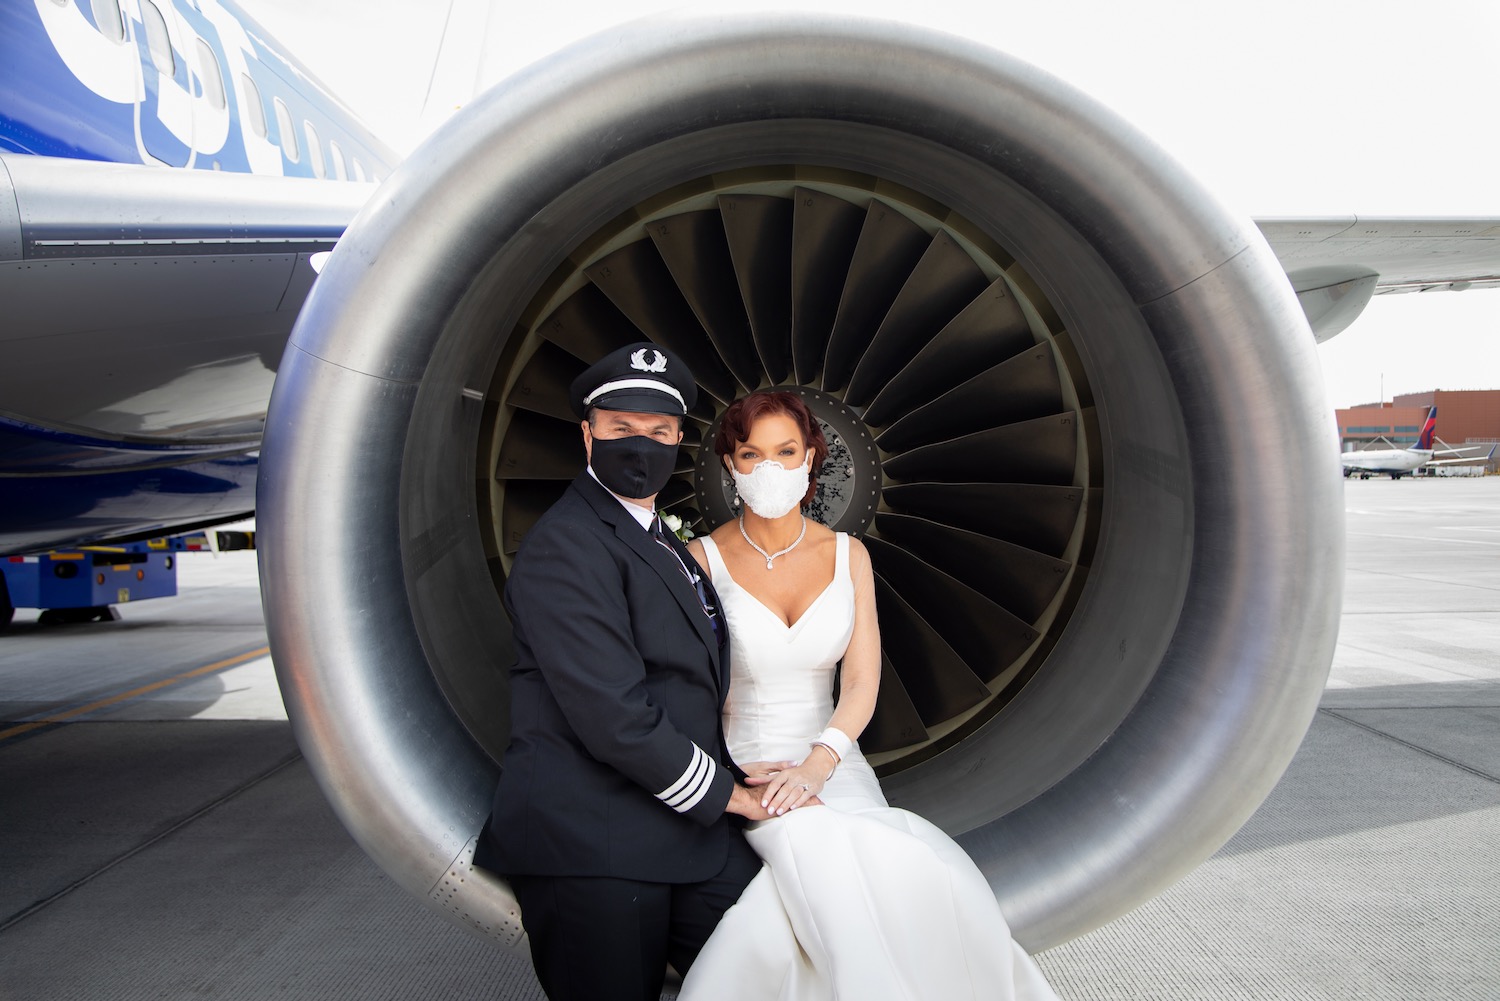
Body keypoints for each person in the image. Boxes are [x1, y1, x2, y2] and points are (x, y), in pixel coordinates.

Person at [678, 390, 1060, 1000]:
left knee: (896, 867)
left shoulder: (847, 555)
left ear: (811, 458)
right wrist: (730, 772)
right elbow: (686, 685)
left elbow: (860, 681)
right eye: (751, 453)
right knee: (831, 859)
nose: (770, 469)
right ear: (729, 464)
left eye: (786, 451)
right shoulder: (698, 560)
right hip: (752, 766)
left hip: (832, 761)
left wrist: (818, 765)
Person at [472, 343, 781, 1001]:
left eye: (658, 432)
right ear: (587, 434)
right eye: (620, 429)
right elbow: (614, 716)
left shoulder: (653, 535)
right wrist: (730, 794)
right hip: (592, 844)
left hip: (676, 829)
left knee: (773, 966)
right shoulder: (567, 547)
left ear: (677, 440)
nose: (640, 446)